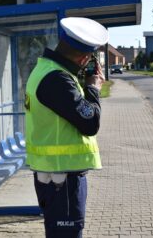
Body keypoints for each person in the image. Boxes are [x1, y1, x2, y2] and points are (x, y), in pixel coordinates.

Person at [25, 17, 109, 238]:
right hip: (61, 180)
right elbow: (90, 123)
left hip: (56, 177)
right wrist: (93, 88)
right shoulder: (57, 79)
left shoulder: (47, 70)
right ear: (84, 57)